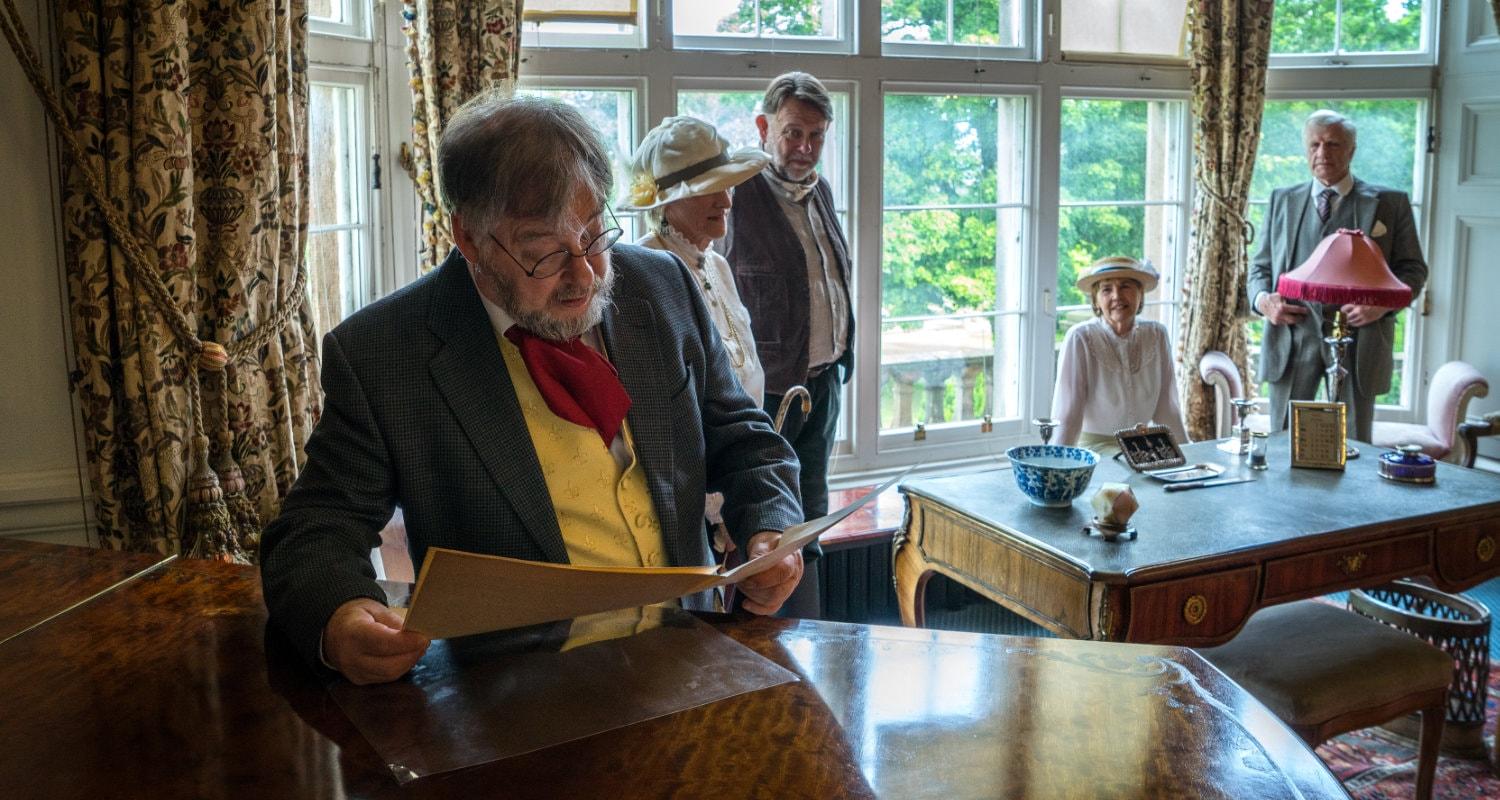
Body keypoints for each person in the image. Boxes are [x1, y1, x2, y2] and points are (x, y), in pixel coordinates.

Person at [260, 94, 805, 685]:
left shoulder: (662, 284)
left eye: (595, 235)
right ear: (467, 238)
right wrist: (340, 617)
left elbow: (743, 437)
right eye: (542, 252)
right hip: (510, 699)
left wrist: (770, 528)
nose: (584, 276)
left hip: (690, 661)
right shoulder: (386, 351)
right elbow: (317, 526)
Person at [724, 71, 850, 619]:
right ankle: (762, 645)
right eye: (794, 133)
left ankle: (808, 639)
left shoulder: (819, 190)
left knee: (812, 517)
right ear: (763, 126)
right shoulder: (735, 196)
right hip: (768, 395)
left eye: (816, 136)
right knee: (767, 525)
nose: (804, 148)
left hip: (822, 385)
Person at [1247, 109, 1428, 443]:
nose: (1322, 153)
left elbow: (1413, 270)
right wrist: (1264, 301)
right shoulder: (1282, 199)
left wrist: (1382, 306)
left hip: (1360, 339)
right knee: (1283, 441)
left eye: (1332, 144)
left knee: (1354, 442)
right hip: (1292, 336)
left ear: (1351, 150)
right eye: (1314, 144)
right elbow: (1260, 268)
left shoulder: (1390, 203)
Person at [623, 116, 768, 405]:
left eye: (727, 186)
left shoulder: (718, 266)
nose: (726, 202)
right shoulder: (644, 270)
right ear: (667, 202)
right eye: (708, 190)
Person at [1051, 257, 1188, 453]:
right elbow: (1068, 415)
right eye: (1107, 289)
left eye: (1126, 287)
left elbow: (1167, 407)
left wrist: (1187, 454)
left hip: (1145, 448)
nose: (1117, 296)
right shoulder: (1080, 337)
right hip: (1096, 450)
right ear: (1096, 300)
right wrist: (1058, 465)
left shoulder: (1157, 335)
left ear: (1140, 293)